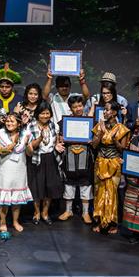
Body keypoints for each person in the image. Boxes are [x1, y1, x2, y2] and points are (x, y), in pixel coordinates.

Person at [0, 113, 32, 239]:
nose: (9, 124)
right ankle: (3, 222)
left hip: (20, 168)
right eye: (7, 121)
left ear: (19, 123)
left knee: (17, 198)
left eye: (12, 121)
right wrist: (14, 142)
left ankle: (15, 221)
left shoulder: (26, 134)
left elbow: (30, 153)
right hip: (5, 168)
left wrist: (28, 144)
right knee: (5, 198)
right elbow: (2, 152)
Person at [90, 100, 131, 234]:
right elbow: (94, 145)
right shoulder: (99, 125)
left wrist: (113, 139)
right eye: (104, 110)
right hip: (100, 162)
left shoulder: (122, 128)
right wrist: (101, 132)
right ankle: (99, 221)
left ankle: (112, 223)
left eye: (107, 110)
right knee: (99, 192)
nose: (105, 112)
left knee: (112, 193)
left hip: (114, 163)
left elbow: (123, 148)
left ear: (114, 112)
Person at [56, 96, 94, 224]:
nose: (78, 109)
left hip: (85, 156)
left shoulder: (90, 121)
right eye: (75, 107)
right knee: (69, 184)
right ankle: (68, 210)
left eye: (80, 106)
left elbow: (95, 139)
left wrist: (92, 140)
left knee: (85, 185)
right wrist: (60, 140)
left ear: (83, 106)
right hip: (69, 156)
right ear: (70, 108)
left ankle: (85, 212)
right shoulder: (64, 122)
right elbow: (60, 137)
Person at [23, 102, 62, 225]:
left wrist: (58, 146)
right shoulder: (30, 126)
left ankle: (45, 213)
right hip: (36, 159)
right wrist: (40, 137)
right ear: (37, 114)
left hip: (51, 158)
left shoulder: (54, 125)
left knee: (49, 187)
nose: (45, 116)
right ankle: (37, 212)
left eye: (47, 113)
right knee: (36, 187)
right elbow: (30, 147)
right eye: (42, 113)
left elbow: (56, 142)